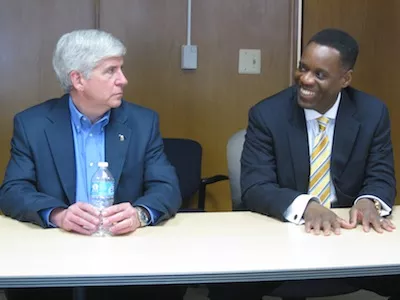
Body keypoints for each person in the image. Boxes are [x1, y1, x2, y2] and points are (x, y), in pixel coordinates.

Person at [210, 28, 400, 300]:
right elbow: (255, 186)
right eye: (302, 68)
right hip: (282, 237)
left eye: (319, 74)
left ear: (345, 79)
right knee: (225, 286)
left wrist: (369, 200)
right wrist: (308, 206)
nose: (305, 79)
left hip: (351, 239)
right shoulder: (267, 114)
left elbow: (381, 174)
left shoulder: (372, 113)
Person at [0, 29, 184, 300]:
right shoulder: (33, 125)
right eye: (111, 71)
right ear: (78, 79)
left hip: (126, 256)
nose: (123, 80)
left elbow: (167, 187)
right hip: (53, 255)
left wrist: (140, 214)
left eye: (121, 69)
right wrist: (58, 215)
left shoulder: (142, 123)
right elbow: (13, 191)